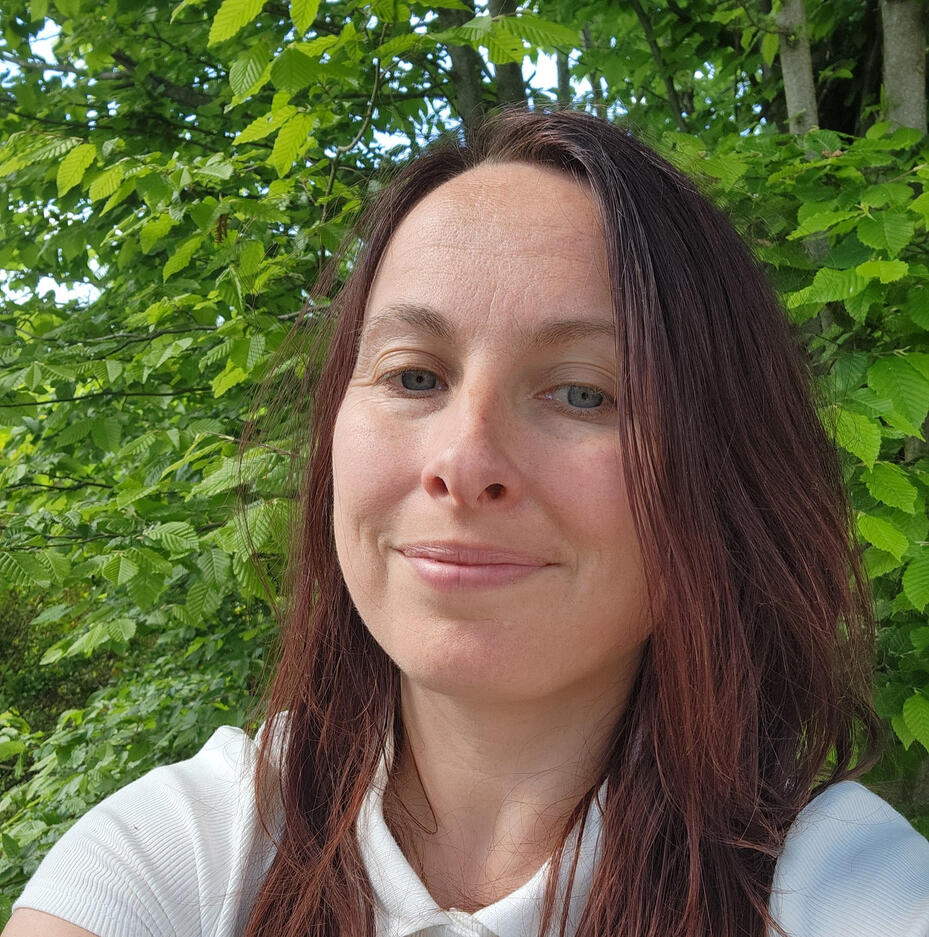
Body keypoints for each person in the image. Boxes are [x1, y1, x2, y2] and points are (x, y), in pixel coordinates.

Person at [5, 108, 929, 937]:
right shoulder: (196, 852)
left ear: (720, 466)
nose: (463, 459)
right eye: (414, 376)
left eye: (582, 392)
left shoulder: (838, 888)